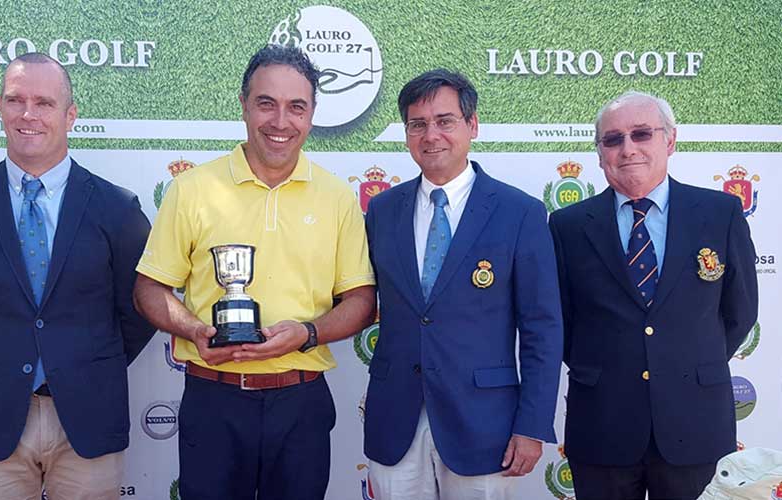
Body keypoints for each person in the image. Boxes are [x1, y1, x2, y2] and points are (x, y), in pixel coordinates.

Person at [132, 44, 376, 500]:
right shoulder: (191, 190)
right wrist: (195, 329)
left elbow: (361, 302)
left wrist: (307, 333)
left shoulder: (337, 197)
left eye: (296, 107)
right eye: (266, 103)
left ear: (312, 114)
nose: (280, 121)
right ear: (243, 104)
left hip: (301, 403)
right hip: (213, 399)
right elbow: (149, 287)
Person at [0, 52, 154, 500]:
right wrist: (2, 363)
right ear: (0, 108)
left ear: (70, 116)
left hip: (88, 416)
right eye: (15, 100)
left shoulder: (118, 209)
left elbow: (138, 313)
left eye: (44, 103)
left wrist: (79, 365)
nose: (28, 114)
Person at [363, 68, 563, 499]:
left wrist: (531, 424)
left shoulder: (519, 212)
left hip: (484, 424)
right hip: (395, 420)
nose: (430, 134)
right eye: (418, 124)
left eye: (444, 120)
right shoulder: (382, 211)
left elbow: (542, 328)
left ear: (472, 125)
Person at [549, 90, 759, 500]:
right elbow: (562, 322)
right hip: (602, 425)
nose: (628, 149)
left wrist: (686, 358)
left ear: (670, 140)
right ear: (599, 153)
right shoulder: (567, 226)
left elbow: (740, 311)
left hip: (695, 423)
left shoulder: (720, 213)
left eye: (641, 134)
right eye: (613, 139)